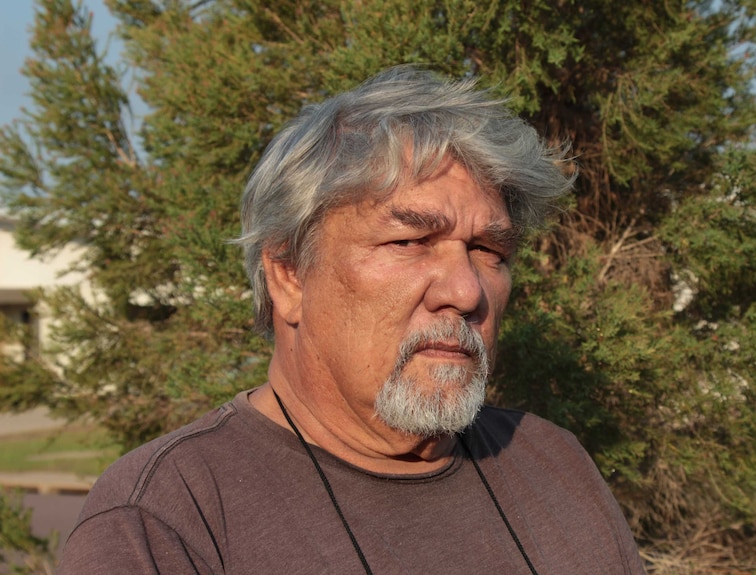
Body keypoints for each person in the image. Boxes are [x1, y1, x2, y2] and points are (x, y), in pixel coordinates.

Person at [59, 67, 645, 574]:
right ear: (288, 274)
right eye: (411, 240)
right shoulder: (166, 522)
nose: (466, 291)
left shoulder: (552, 464)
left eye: (490, 252)